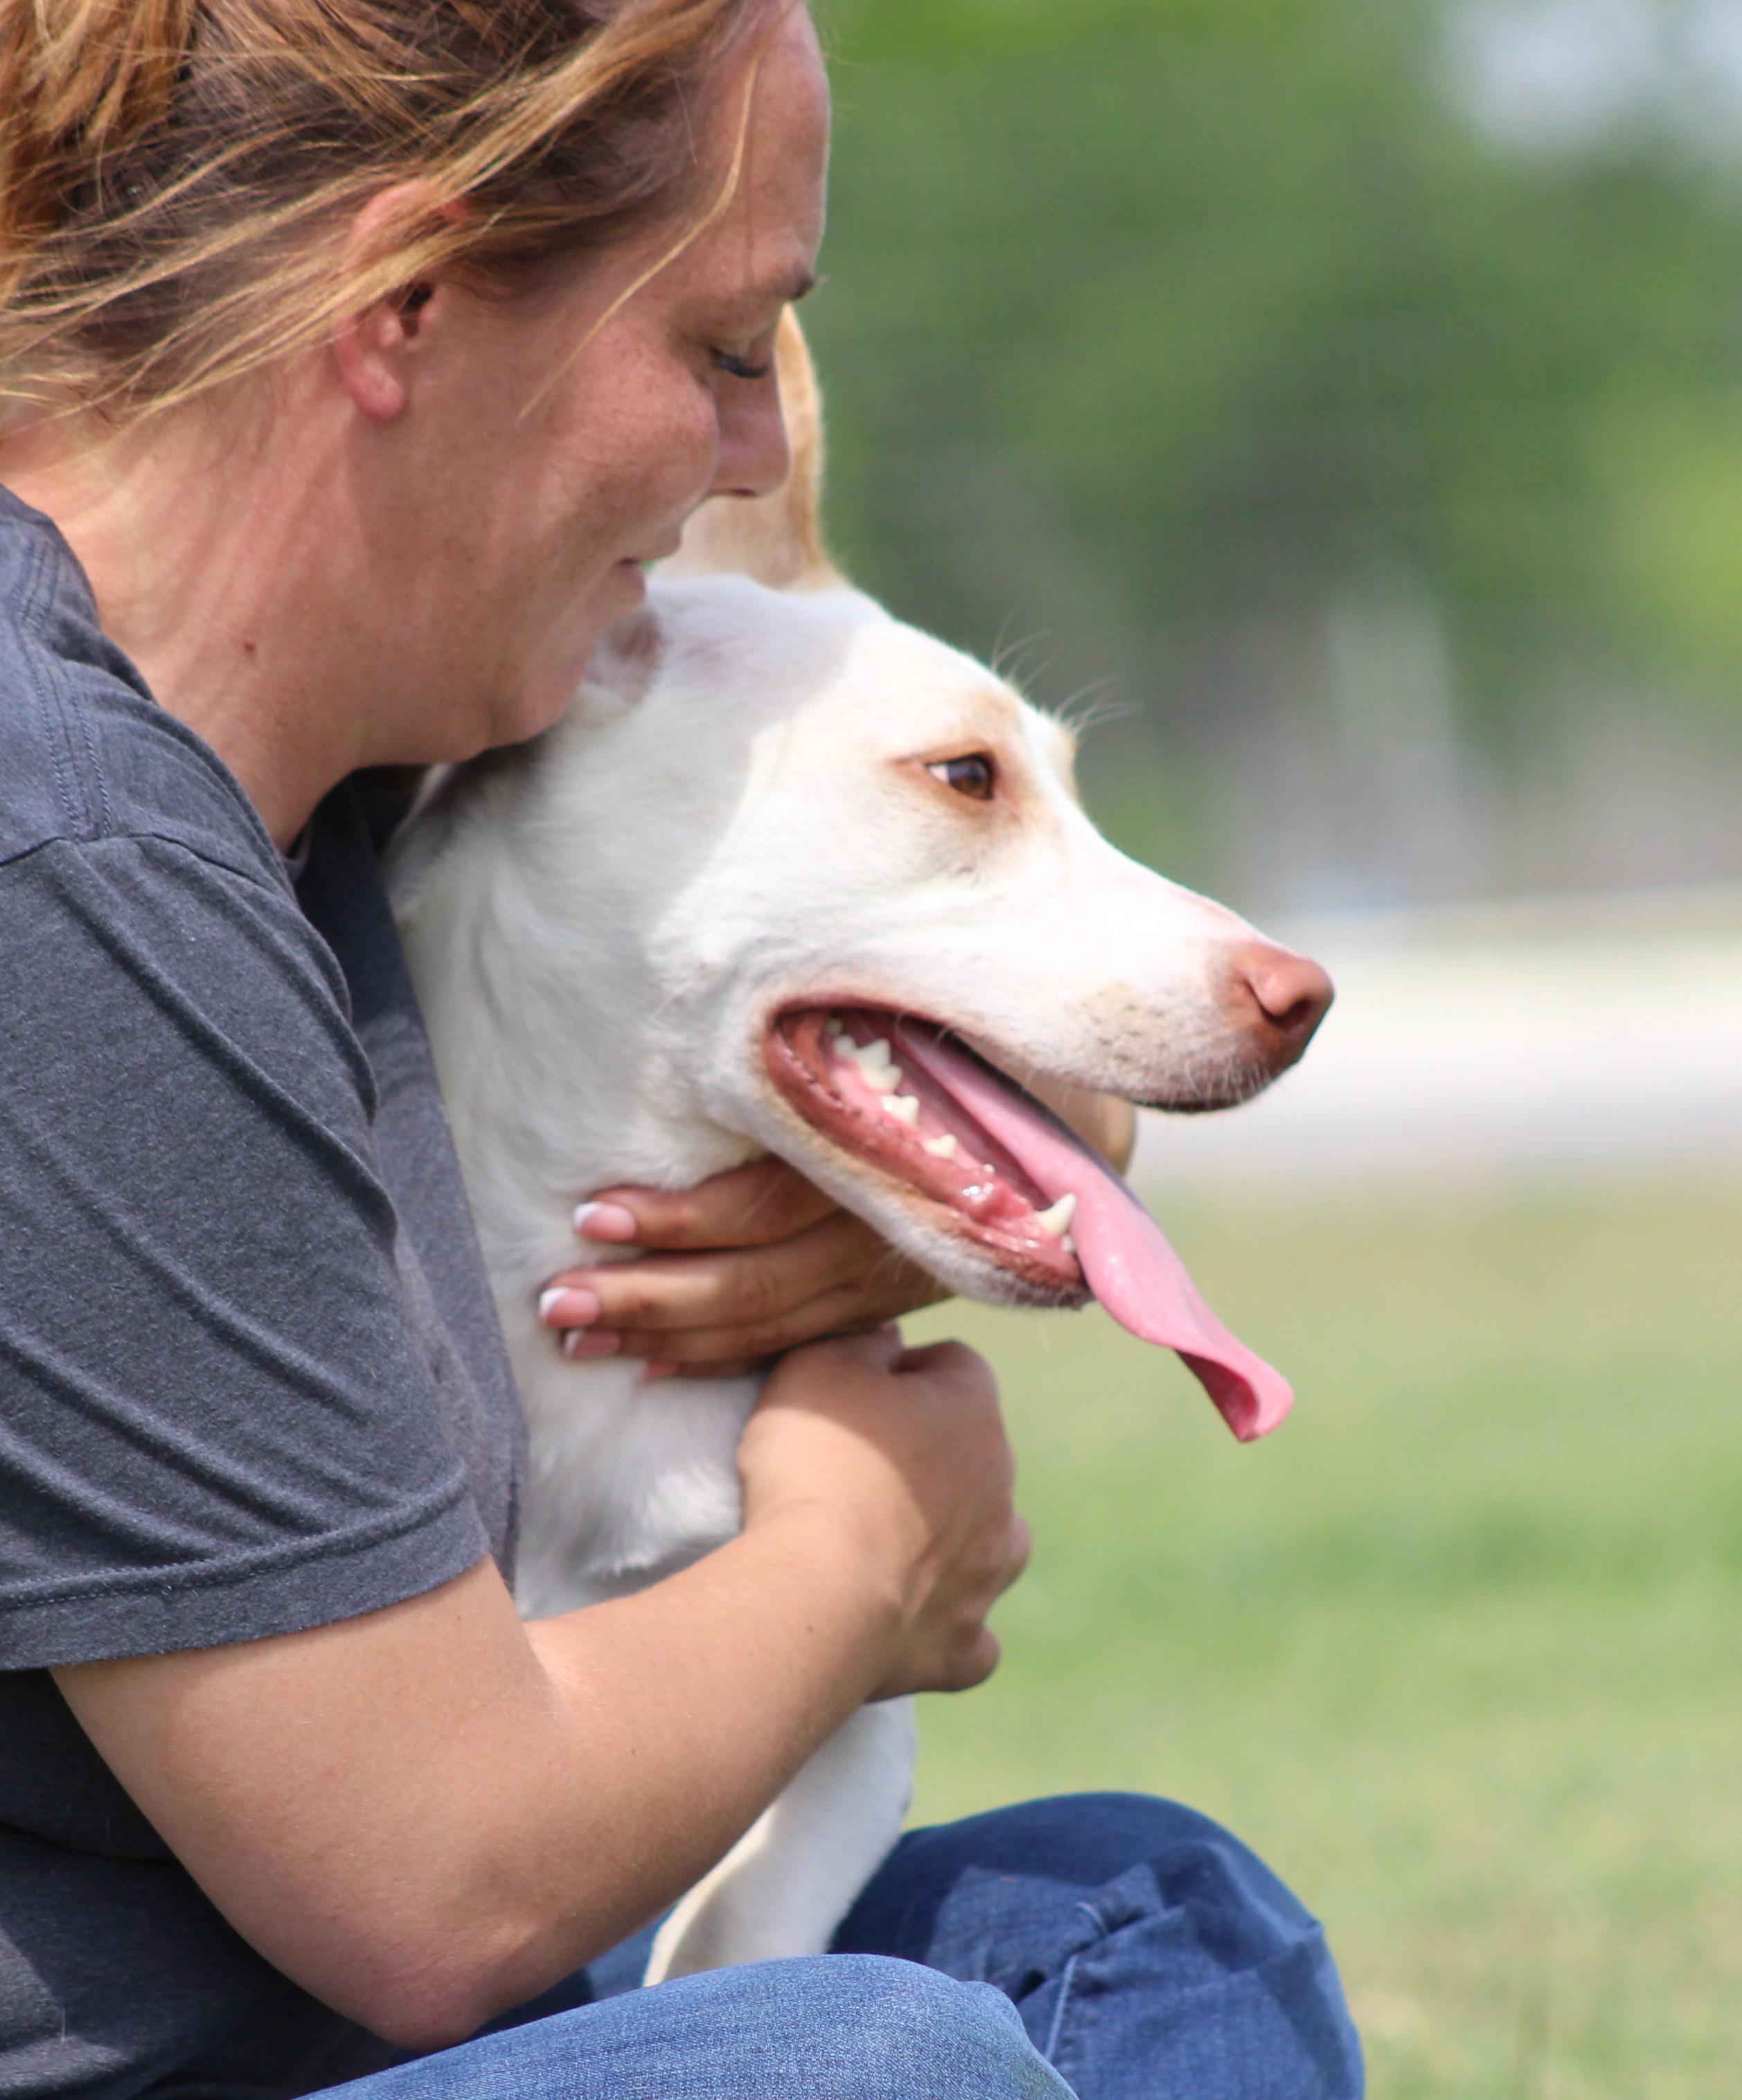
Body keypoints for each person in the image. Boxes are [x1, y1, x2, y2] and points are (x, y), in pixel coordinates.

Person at [0, 3, 1365, 2095]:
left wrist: (958, 1181)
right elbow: (435, 1891)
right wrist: (861, 1554)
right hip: (275, 2007)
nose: (757, 457)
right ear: (403, 307)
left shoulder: (345, 752)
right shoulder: (66, 857)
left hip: (336, 2017)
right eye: (725, 351)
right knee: (876, 2062)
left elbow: (815, 876)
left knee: (1145, 1930)